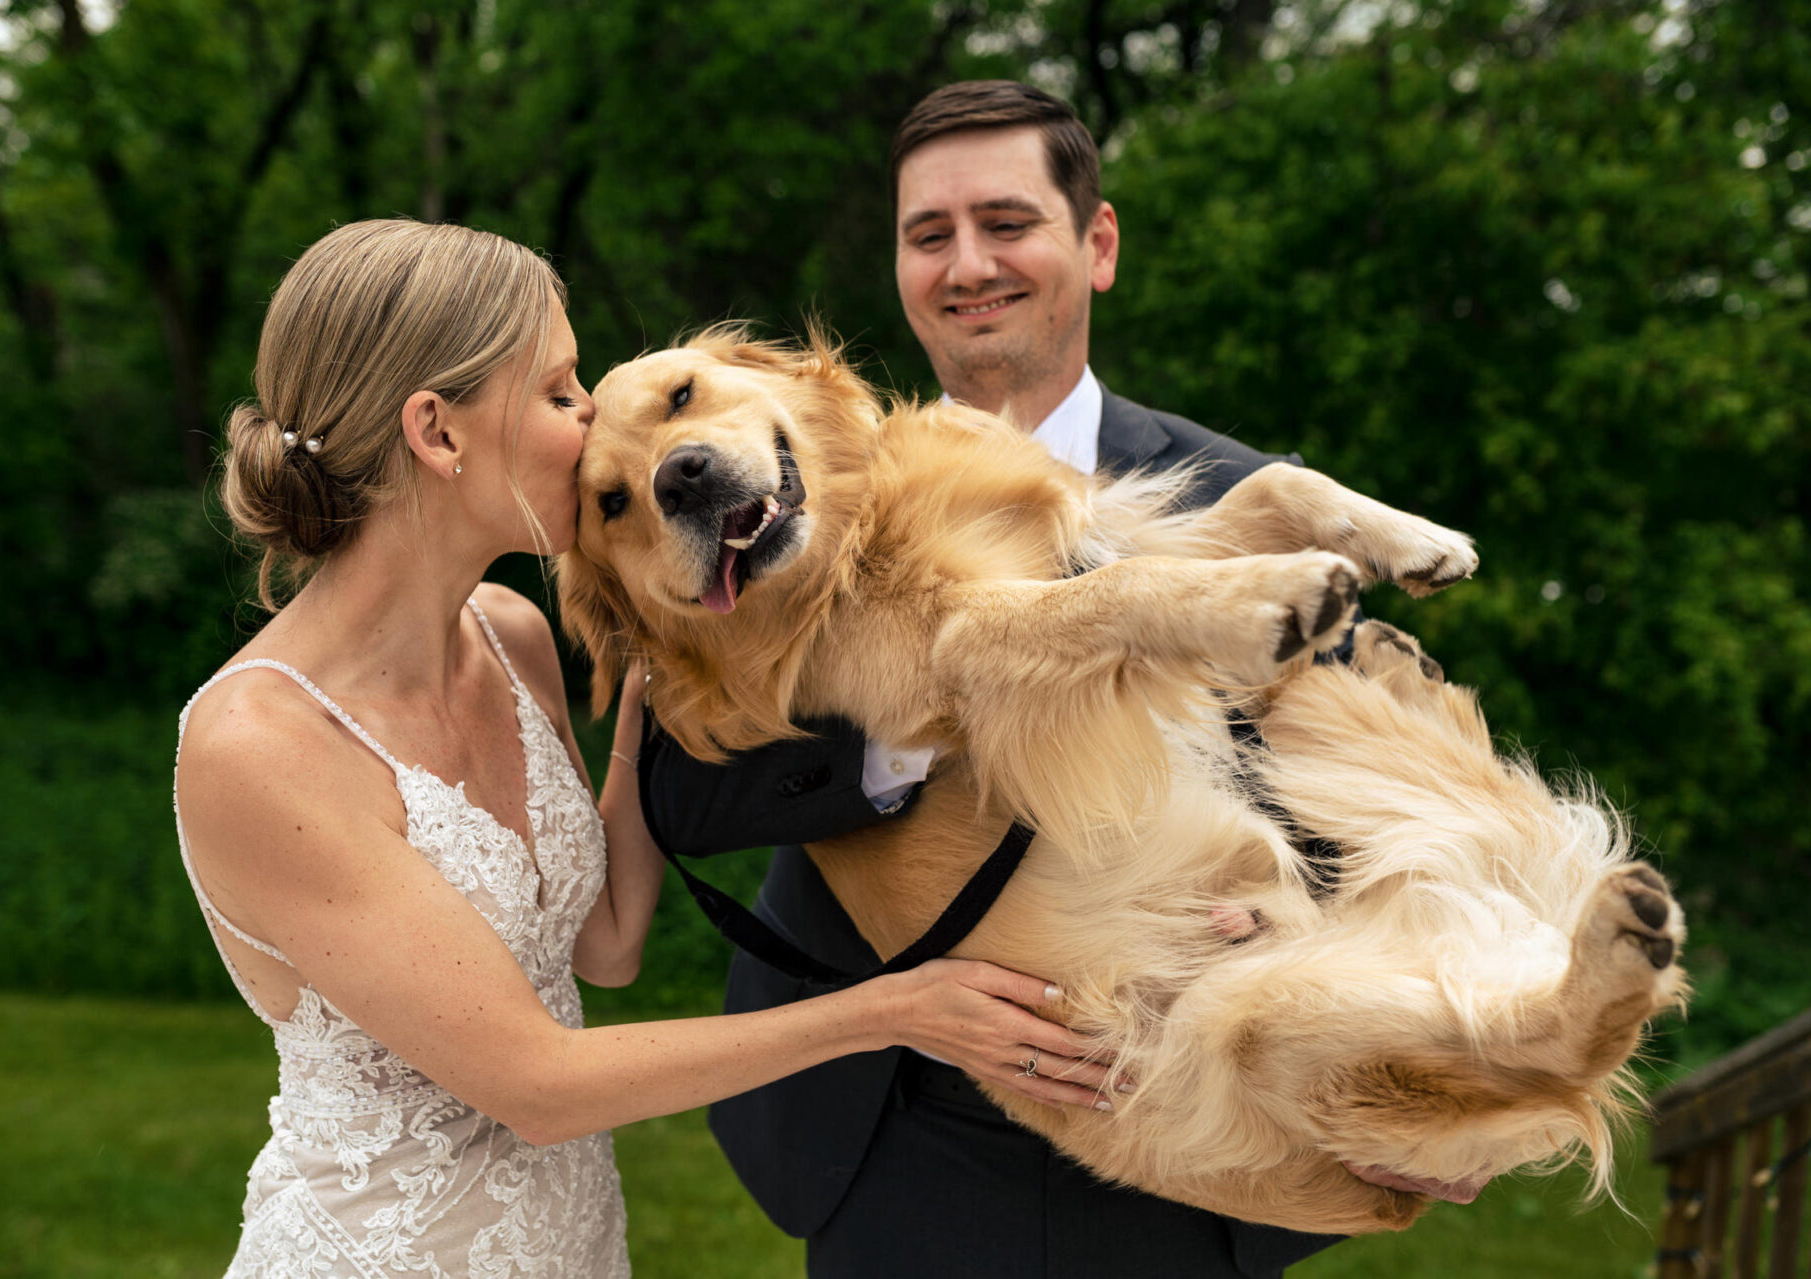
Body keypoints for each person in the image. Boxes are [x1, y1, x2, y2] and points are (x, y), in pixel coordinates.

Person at [171, 218, 1124, 1276]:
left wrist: (650, 678)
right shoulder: (258, 745)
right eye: (560, 390)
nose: (593, 420)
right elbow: (538, 1083)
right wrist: (899, 1011)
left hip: (574, 1245)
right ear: (438, 434)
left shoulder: (509, 632)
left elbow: (609, 942)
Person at [640, 82, 1345, 1277]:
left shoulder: (1239, 494)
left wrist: (1296, 911)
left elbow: (1356, 767)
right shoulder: (780, 481)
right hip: (887, 1117)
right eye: (930, 235)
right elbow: (686, 797)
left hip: (1189, 1117)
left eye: (1006, 222)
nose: (968, 264)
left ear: (1098, 243)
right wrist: (920, 704)